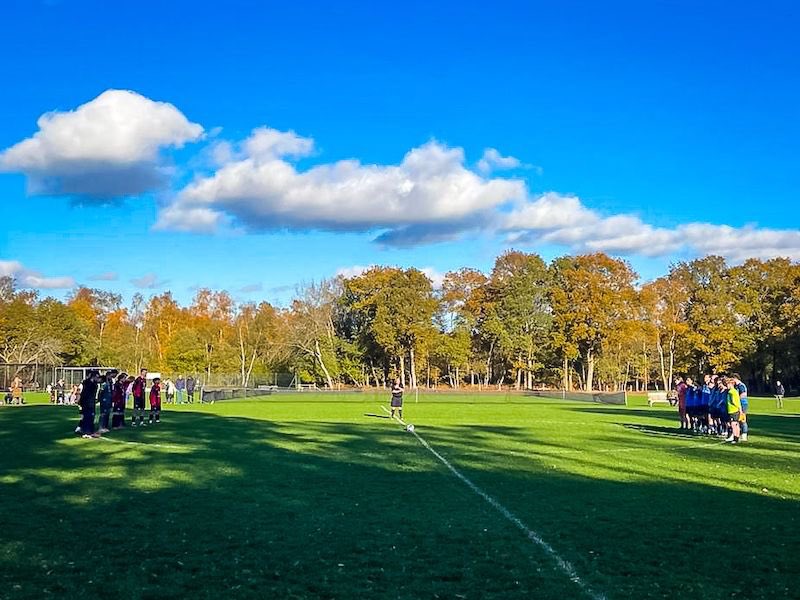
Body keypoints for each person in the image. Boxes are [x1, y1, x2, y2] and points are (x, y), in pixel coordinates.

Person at [77, 370, 101, 438]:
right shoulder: (89, 384)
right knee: (88, 417)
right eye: (97, 377)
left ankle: (89, 431)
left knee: (90, 417)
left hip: (90, 402)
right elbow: (85, 394)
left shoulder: (91, 383)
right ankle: (87, 433)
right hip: (87, 403)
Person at [724, 377, 743, 444]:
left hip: (733, 410)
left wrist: (739, 409)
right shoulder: (733, 391)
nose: (726, 386)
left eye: (727, 384)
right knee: (736, 424)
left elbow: (735, 401)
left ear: (731, 384)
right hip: (732, 410)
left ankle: (735, 438)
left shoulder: (732, 392)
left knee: (733, 424)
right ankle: (737, 437)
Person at [732, 374, 749, 442]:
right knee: (737, 419)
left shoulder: (741, 385)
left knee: (742, 419)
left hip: (743, 403)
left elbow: (743, 394)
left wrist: (737, 399)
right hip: (738, 404)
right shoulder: (736, 386)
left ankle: (744, 434)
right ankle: (738, 434)